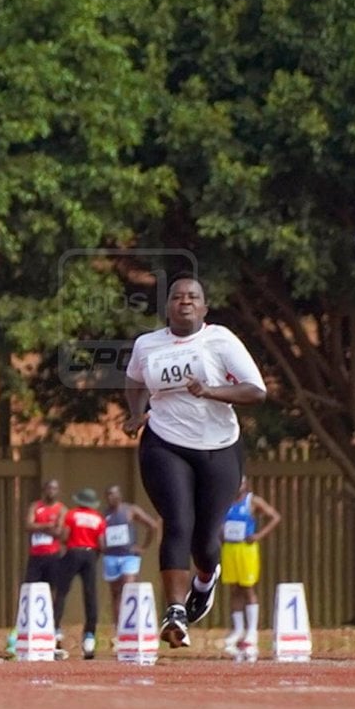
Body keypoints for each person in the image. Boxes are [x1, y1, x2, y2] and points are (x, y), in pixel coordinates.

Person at [124, 277, 268, 649]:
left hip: (219, 447)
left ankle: (205, 580)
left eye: (193, 297)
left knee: (204, 539)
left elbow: (256, 390)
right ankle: (174, 611)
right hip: (164, 443)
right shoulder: (147, 345)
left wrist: (210, 391)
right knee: (177, 521)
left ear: (204, 308)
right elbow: (134, 381)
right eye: (177, 297)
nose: (184, 301)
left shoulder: (220, 340)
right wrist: (136, 413)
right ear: (167, 306)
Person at [217, 477, 281, 658]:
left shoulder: (252, 501)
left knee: (248, 588)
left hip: (246, 548)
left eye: (241, 482)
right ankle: (238, 629)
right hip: (229, 548)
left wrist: (258, 535)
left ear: (245, 485)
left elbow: (275, 517)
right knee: (234, 588)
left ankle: (252, 631)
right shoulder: (225, 501)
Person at [15, 479, 66, 654]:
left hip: (53, 555)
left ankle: (54, 626)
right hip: (36, 556)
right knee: (29, 588)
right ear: (44, 489)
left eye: (55, 488)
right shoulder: (35, 506)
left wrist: (39, 527)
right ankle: (24, 624)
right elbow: (28, 525)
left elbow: (59, 531)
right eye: (49, 488)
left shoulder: (61, 509)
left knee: (53, 591)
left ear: (58, 491)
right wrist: (47, 526)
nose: (52, 491)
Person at [58, 488, 106, 659]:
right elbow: (101, 543)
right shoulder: (98, 518)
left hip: (73, 552)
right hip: (90, 554)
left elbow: (65, 536)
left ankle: (55, 630)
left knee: (62, 591)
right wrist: (94, 556)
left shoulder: (72, 514)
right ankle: (89, 637)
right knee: (90, 595)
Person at [99, 483, 160, 595]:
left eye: (112, 494)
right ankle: (117, 608)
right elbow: (100, 532)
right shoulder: (105, 514)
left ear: (119, 495)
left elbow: (152, 525)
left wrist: (143, 547)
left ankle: (130, 605)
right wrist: (102, 546)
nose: (110, 497)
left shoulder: (130, 510)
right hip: (111, 556)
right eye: (108, 495)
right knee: (115, 592)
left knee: (128, 588)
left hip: (128, 555)